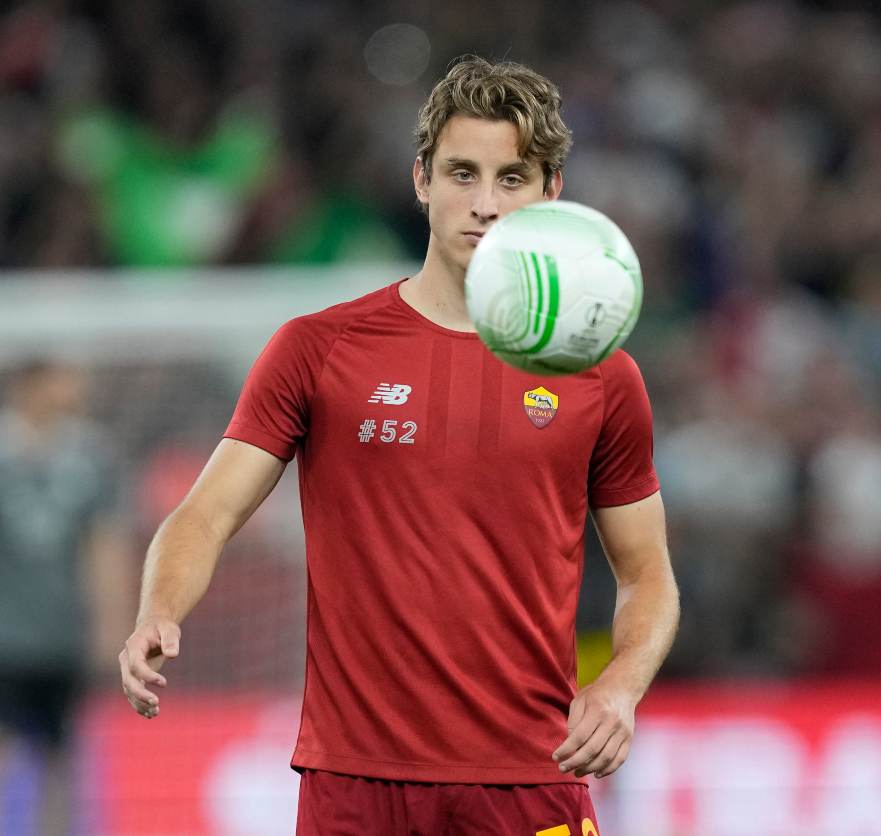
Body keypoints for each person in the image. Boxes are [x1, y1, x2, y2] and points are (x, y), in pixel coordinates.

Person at [118, 55, 679, 835]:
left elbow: (647, 571)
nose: (484, 204)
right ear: (421, 179)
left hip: (530, 778)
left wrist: (621, 684)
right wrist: (158, 610)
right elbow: (206, 513)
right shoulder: (318, 350)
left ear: (551, 193)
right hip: (355, 785)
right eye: (462, 174)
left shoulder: (599, 373)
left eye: (512, 179)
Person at [0, 360, 132, 836]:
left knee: (62, 755)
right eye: (61, 376)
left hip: (63, 636)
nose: (74, 386)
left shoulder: (90, 456)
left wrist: (113, 626)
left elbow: (105, 544)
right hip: (6, 636)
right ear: (31, 383)